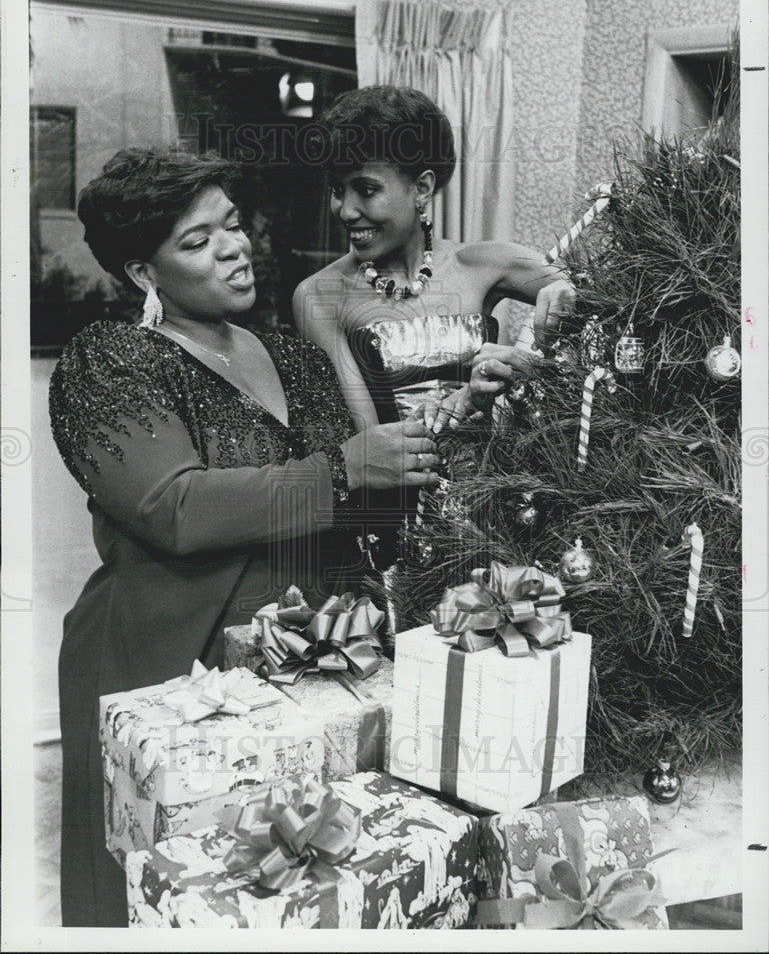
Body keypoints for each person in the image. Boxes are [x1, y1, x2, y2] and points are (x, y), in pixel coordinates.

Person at [49, 147, 441, 927]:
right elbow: (176, 509)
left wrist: (441, 428)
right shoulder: (107, 360)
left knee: (300, 887)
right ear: (142, 275)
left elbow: (353, 508)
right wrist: (344, 469)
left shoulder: (294, 355)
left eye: (231, 225)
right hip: (166, 664)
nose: (233, 247)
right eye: (196, 241)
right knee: (174, 892)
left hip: (310, 664)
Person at [292, 86, 575, 558]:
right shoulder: (319, 296)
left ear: (421, 188)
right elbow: (368, 443)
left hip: (504, 507)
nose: (346, 211)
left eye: (366, 189)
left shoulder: (482, 263)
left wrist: (545, 340)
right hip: (398, 526)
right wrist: (468, 400)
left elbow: (606, 298)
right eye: (338, 190)